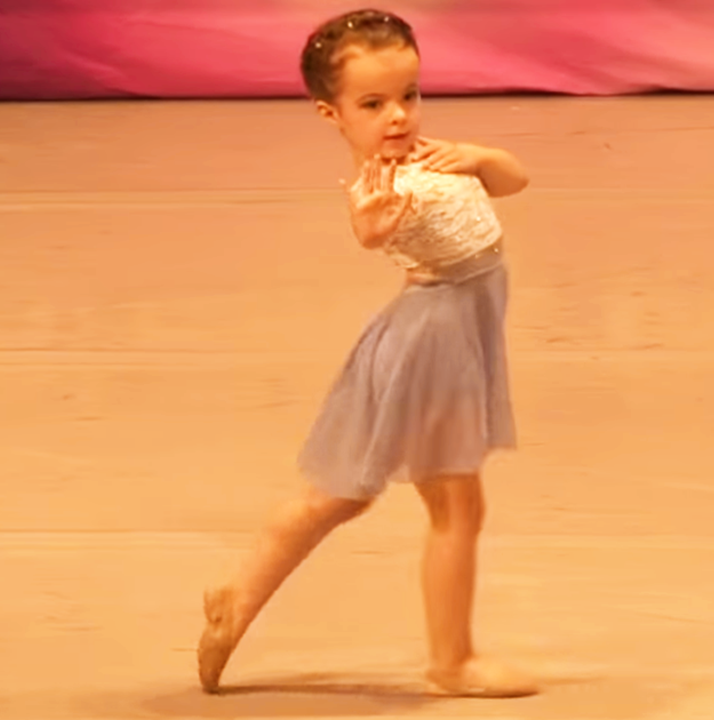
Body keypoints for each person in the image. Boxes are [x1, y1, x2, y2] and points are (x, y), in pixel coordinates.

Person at [197, 8, 537, 698]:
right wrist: (373, 224)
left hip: (450, 330)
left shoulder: (430, 155)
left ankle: (239, 596)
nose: (398, 115)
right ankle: (452, 661)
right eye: (373, 104)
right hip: (435, 342)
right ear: (333, 115)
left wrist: (478, 157)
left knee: (341, 494)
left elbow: (514, 180)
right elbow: (369, 225)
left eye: (409, 94)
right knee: (456, 508)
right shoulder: (380, 183)